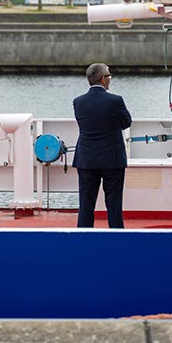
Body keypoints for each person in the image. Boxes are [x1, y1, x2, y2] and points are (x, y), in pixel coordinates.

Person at [72, 63, 132, 228]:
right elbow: (126, 122)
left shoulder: (78, 102)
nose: (110, 79)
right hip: (112, 159)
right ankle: (116, 236)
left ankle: (83, 236)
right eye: (109, 76)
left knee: (86, 204)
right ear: (103, 79)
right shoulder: (115, 101)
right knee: (113, 203)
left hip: (86, 159)